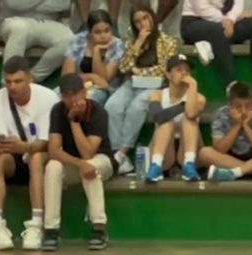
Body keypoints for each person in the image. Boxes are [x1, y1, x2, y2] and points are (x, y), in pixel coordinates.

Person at [0, 55, 61, 250]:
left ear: (29, 79)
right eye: (8, 82)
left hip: (38, 156)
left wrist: (25, 147)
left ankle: (36, 224)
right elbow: (0, 142)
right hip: (13, 156)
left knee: (36, 158)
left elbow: (46, 142)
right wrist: (14, 146)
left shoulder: (48, 98)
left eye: (18, 81)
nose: (12, 87)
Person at [107, 4, 182, 174]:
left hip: (155, 84)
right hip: (132, 83)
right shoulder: (132, 42)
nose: (143, 24)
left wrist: (141, 71)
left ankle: (122, 152)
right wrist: (139, 42)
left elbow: (165, 69)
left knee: (136, 107)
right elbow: (124, 67)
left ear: (152, 18)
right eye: (137, 21)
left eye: (145, 18)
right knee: (113, 106)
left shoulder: (168, 42)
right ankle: (116, 153)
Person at [43, 72, 113, 251]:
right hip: (74, 163)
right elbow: (53, 150)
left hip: (102, 160)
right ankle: (51, 229)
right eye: (66, 95)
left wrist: (74, 121)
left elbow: (88, 153)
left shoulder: (98, 112)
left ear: (84, 93)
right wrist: (78, 163)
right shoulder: (57, 110)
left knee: (91, 167)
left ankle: (99, 228)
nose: (71, 99)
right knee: (52, 167)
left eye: (75, 94)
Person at [143, 55, 204, 182]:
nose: (184, 74)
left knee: (188, 120)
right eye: (179, 69)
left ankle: (189, 165)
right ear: (168, 75)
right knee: (166, 122)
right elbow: (158, 117)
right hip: (164, 149)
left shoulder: (199, 98)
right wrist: (183, 105)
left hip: (188, 147)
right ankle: (155, 166)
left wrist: (193, 86)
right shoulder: (157, 95)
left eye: (187, 70)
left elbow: (191, 114)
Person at [181, 0, 252, 86]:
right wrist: (225, 21)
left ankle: (209, 41)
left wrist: (231, 19)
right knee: (219, 32)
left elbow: (238, 4)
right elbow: (201, 8)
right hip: (194, 21)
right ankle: (230, 83)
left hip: (225, 21)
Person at [64, 8, 127, 103]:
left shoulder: (118, 45)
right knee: (56, 97)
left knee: (89, 101)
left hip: (103, 90)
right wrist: (91, 77)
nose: (103, 36)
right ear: (89, 33)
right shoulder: (78, 40)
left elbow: (104, 80)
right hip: (75, 85)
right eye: (97, 32)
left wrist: (96, 51)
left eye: (107, 31)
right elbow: (66, 76)